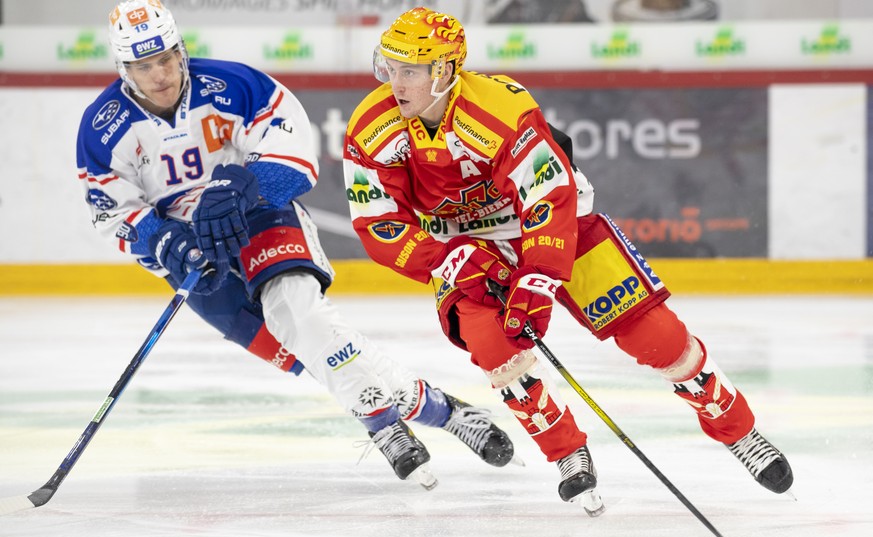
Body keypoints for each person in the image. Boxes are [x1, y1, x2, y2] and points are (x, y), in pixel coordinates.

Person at [343, 6, 794, 508]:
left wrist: (536, 281)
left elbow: (548, 200)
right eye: (389, 67)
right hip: (464, 246)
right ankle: (566, 453)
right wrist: (448, 258)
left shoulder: (499, 109)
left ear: (445, 71)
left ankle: (737, 429)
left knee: (657, 337)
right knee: (496, 350)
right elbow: (378, 222)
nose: (394, 83)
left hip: (556, 226)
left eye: (409, 71)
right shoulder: (371, 127)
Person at [75, 0, 517, 491]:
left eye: (165, 58)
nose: (159, 74)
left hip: (259, 215)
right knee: (306, 352)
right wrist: (163, 243)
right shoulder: (102, 128)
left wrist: (245, 185)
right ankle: (446, 411)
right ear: (123, 68)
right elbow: (111, 210)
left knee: (301, 317)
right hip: (194, 251)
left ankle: (382, 423)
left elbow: (294, 157)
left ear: (180, 49)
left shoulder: (234, 85)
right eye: (142, 65)